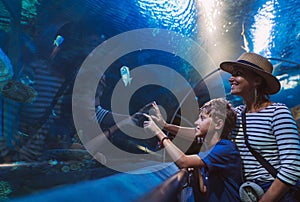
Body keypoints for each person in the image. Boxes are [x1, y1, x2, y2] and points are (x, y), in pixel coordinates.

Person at [219, 52, 300, 202]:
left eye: (238, 74)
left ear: (257, 80)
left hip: (276, 192)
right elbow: (204, 131)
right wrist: (165, 126)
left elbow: (292, 166)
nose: (230, 78)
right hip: (248, 192)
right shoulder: (236, 114)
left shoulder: (278, 112)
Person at [143, 98, 242, 202]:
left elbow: (183, 161)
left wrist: (158, 132)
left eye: (202, 118)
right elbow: (203, 189)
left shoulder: (225, 148)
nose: (196, 122)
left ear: (218, 124)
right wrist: (196, 169)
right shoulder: (210, 150)